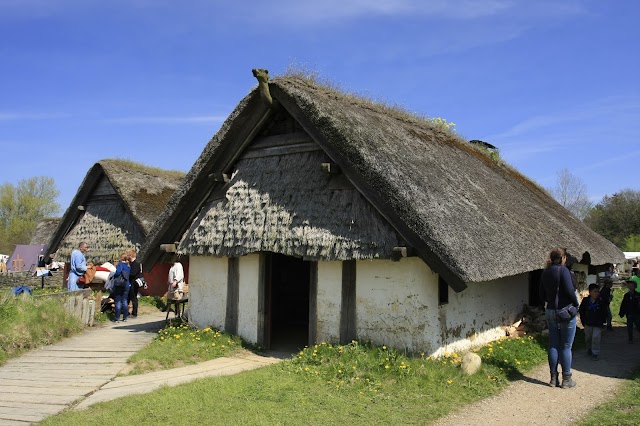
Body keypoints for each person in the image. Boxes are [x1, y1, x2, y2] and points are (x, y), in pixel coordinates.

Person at [539, 247, 579, 389]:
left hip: (550, 311)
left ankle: (553, 379)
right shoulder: (564, 271)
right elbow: (569, 290)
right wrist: (575, 304)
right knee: (566, 346)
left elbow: (541, 294)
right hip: (565, 311)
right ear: (563, 258)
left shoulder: (545, 272)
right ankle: (566, 380)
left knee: (553, 344)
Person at [579, 284, 606, 360]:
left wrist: (603, 322)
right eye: (595, 291)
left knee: (596, 338)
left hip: (598, 323)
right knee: (588, 338)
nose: (597, 293)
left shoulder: (601, 301)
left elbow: (604, 312)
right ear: (590, 292)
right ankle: (589, 348)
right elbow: (581, 311)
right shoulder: (585, 301)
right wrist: (583, 321)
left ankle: (595, 353)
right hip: (588, 323)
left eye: (598, 291)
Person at [619, 279, 640, 343]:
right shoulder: (626, 295)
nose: (630, 287)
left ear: (635, 286)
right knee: (629, 327)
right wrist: (622, 312)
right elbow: (623, 304)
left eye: (632, 285)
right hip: (629, 313)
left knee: (638, 325)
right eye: (629, 285)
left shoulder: (638, 295)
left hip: (637, 313)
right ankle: (630, 338)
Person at [112, 252, 131, 323]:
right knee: (125, 301)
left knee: (118, 301)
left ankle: (117, 318)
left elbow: (117, 273)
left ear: (121, 258)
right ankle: (125, 317)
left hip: (119, 285)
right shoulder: (128, 266)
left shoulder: (120, 265)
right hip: (126, 285)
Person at [127, 249, 142, 319]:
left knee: (133, 298)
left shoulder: (135, 264)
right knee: (129, 297)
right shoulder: (132, 264)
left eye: (128, 255)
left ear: (131, 256)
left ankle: (134, 313)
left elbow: (133, 274)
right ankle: (127, 312)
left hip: (134, 283)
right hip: (132, 283)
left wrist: (126, 274)